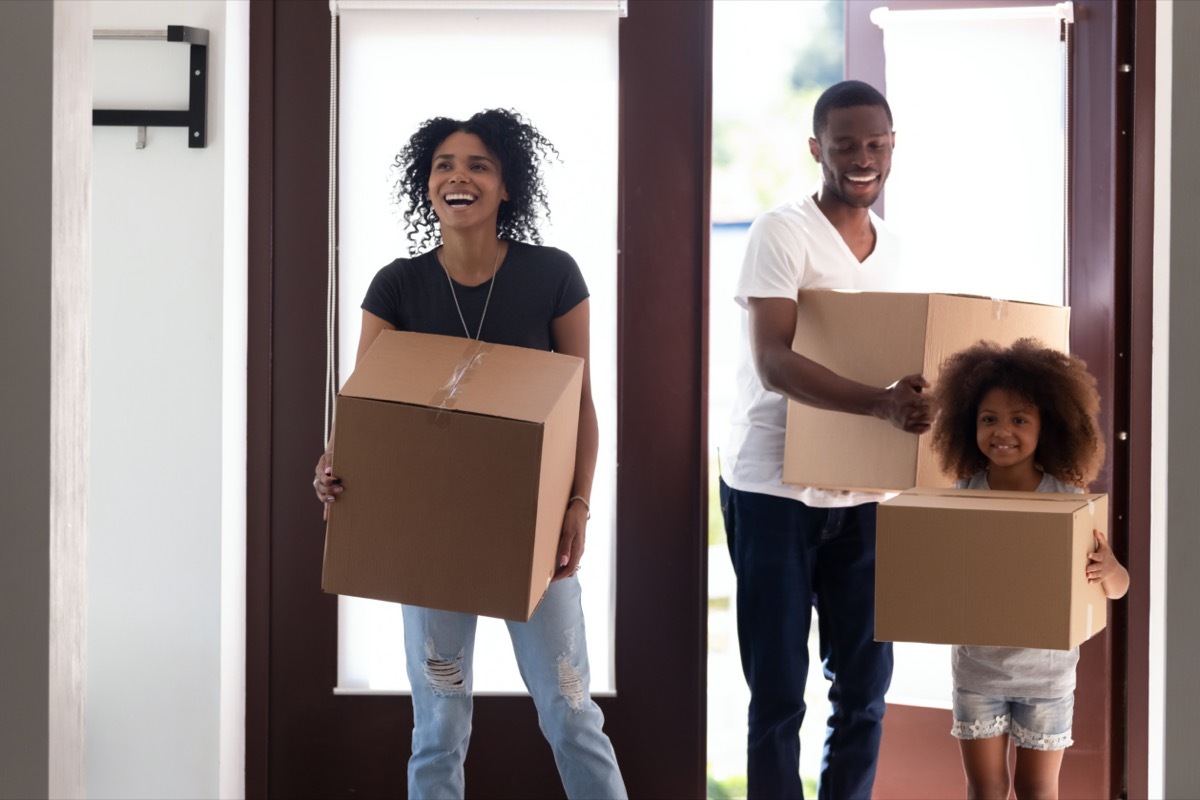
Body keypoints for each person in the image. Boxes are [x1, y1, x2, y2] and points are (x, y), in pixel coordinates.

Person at [312, 108, 626, 800]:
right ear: (428, 187)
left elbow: (581, 406)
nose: (459, 177)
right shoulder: (397, 286)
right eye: (444, 166)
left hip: (534, 534)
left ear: (507, 186)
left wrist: (578, 504)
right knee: (439, 724)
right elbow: (364, 414)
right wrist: (333, 465)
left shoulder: (553, 276)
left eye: (479, 165)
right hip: (431, 544)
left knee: (572, 711)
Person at [718, 79, 931, 799]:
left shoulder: (895, 251)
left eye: (876, 144)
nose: (863, 159)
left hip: (865, 489)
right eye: (846, 145)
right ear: (818, 149)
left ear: (893, 146)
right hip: (774, 485)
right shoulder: (781, 232)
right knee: (778, 692)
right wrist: (879, 405)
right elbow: (773, 361)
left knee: (865, 690)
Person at [930, 338, 1129, 800]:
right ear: (968, 425)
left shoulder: (1070, 502)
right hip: (977, 672)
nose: (1003, 431)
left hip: (1047, 676)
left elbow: (1117, 590)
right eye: (989, 419)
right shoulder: (962, 497)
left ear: (1048, 426)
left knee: (1037, 789)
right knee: (985, 788)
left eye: (1020, 419)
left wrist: (1111, 567)